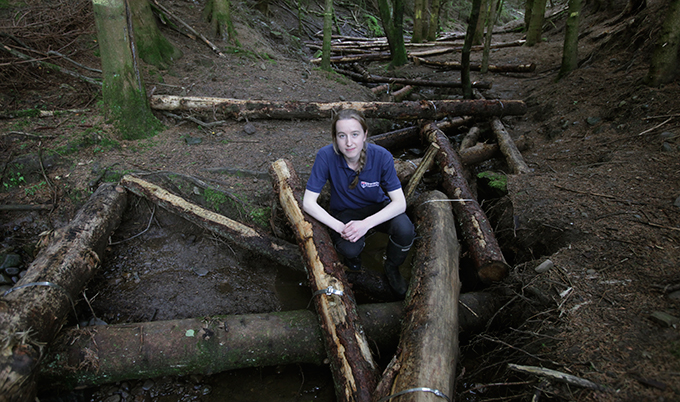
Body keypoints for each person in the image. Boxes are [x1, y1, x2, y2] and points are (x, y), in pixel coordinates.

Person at [303, 109, 416, 297]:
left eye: (355, 134)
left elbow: (399, 203)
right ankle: (353, 260)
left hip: (377, 207)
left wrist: (365, 225)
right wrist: (340, 227)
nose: (349, 142)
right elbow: (308, 202)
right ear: (335, 138)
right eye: (342, 136)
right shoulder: (326, 156)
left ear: (365, 135)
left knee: (406, 229)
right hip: (346, 212)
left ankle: (392, 267)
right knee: (349, 247)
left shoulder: (382, 156)